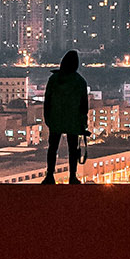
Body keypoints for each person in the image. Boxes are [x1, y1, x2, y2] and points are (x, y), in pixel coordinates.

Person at [42, 49, 89, 183]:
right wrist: (83, 122)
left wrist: (48, 118)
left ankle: (50, 175)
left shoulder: (54, 79)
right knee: (73, 150)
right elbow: (83, 105)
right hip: (73, 121)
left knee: (52, 148)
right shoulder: (79, 81)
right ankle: (72, 176)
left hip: (56, 119)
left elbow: (48, 100)